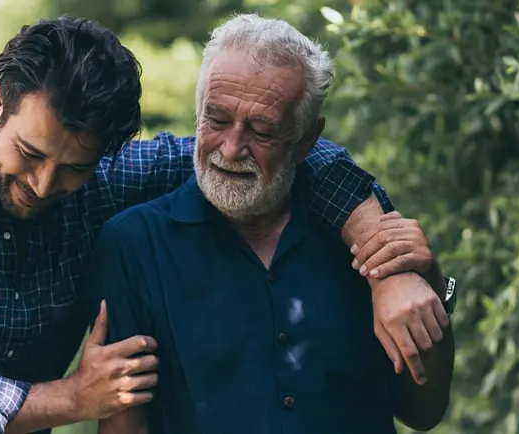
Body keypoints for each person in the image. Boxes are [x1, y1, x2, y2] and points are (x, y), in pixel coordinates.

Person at [0, 15, 447, 434]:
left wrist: (386, 257)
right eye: (30, 153)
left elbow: (275, 155)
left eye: (72, 168)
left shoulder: (108, 178)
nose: (44, 186)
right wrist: (71, 398)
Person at [96, 14, 455, 434]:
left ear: (306, 139)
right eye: (216, 119)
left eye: (261, 131)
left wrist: (428, 281)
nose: (231, 149)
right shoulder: (133, 244)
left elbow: (423, 413)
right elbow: (125, 424)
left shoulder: (365, 235)